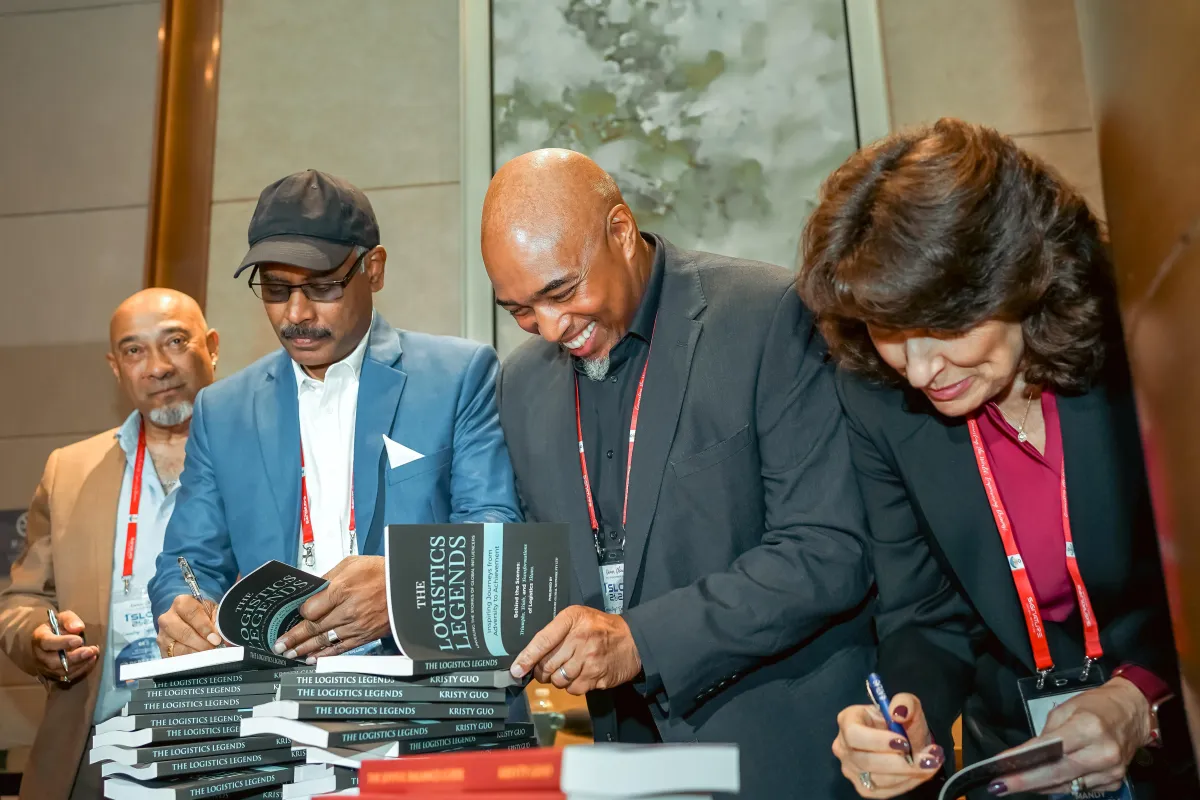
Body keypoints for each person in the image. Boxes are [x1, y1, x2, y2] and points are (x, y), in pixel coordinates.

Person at [797, 119, 1198, 798]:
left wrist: (1139, 696)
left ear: (1022, 275)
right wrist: (904, 715)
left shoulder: (1142, 343)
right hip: (1016, 756)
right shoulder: (877, 398)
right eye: (889, 329)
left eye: (944, 325)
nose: (919, 370)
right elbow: (924, 613)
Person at [483, 149, 874, 799]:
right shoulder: (520, 382)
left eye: (561, 292)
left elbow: (828, 548)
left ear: (620, 231)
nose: (549, 327)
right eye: (518, 309)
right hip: (614, 763)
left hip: (775, 753)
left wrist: (642, 640)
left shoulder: (766, 314)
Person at [148, 170, 521, 662]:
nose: (296, 313)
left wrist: (404, 588)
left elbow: (497, 527)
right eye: (275, 290)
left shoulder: (457, 376)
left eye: (323, 287)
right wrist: (182, 608)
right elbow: (188, 560)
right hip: (281, 695)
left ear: (375, 269)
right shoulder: (223, 410)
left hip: (427, 690)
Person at [0, 289, 219, 800]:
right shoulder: (69, 471)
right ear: (115, 367)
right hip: (97, 750)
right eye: (134, 350)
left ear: (211, 347)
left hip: (231, 745)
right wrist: (38, 638)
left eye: (176, 341)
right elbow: (22, 600)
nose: (158, 367)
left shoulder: (266, 455)